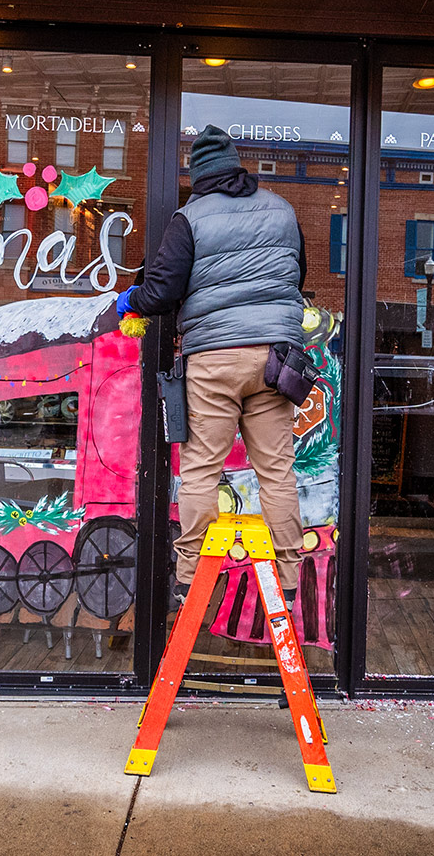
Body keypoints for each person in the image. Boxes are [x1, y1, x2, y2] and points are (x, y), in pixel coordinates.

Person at [117, 123, 307, 608]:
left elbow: (160, 292)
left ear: (199, 176)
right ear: (237, 168)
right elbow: (296, 274)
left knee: (202, 469)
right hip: (275, 359)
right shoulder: (283, 211)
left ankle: (189, 579)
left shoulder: (191, 217)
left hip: (215, 358)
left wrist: (129, 301)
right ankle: (287, 578)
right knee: (278, 472)